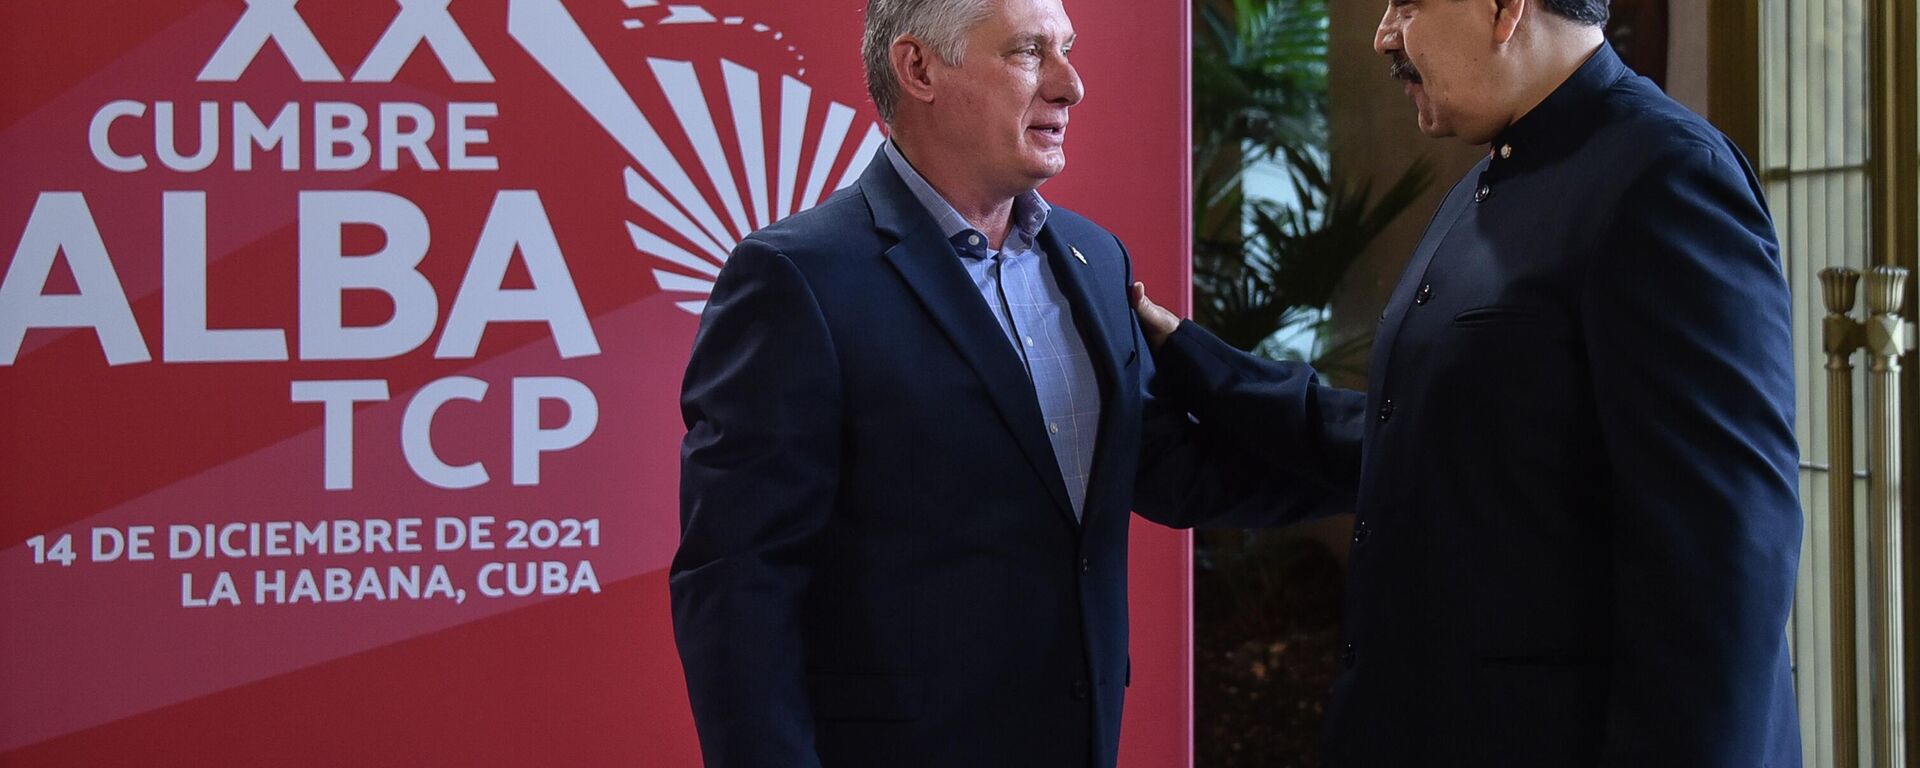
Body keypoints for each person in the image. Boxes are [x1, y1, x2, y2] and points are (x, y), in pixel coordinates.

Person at [1131, 0, 1803, 764]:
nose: (1384, 35)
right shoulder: (1483, 184)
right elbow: (1414, 437)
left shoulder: (1670, 176)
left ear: (1505, 8)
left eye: (1406, 5)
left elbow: (1724, 572)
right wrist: (1189, 355)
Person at [669, 0, 1334, 765]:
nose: (1071, 85)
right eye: (1028, 53)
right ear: (918, 68)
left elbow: (1171, 469)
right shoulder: (796, 279)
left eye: (1068, 50)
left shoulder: (1093, 258)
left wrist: (1393, 454)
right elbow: (739, 582)